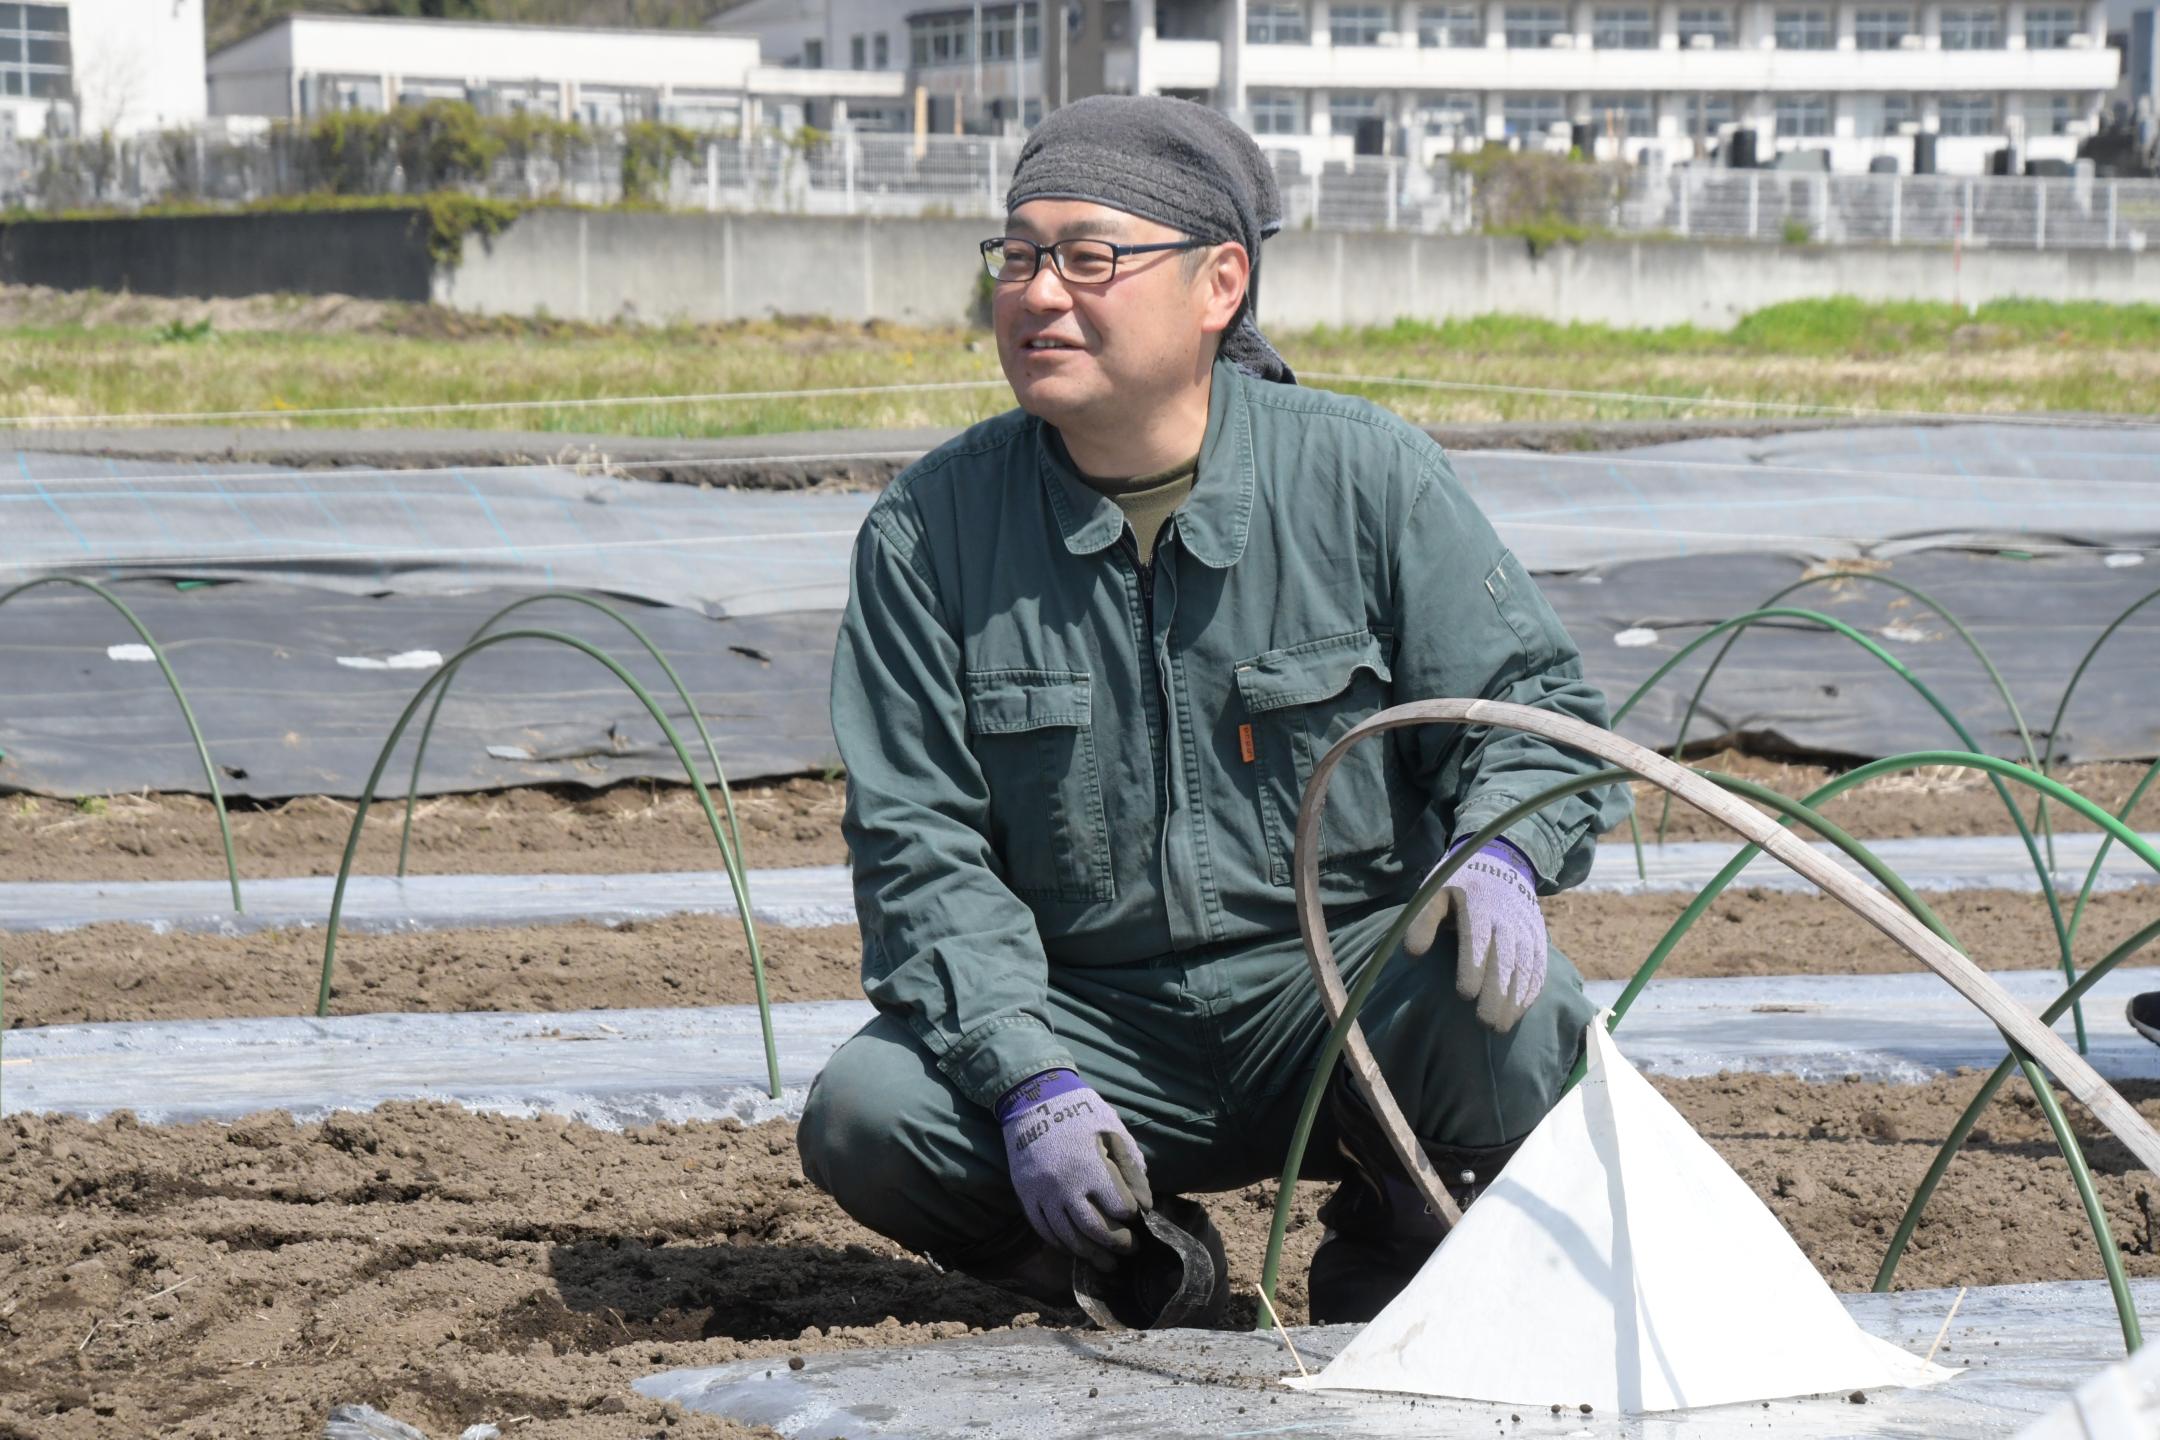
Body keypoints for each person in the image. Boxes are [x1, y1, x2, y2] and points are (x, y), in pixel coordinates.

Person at [797, 95, 1632, 1327]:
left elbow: (1529, 705)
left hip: (1335, 995)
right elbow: (919, 846)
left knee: (1521, 1014)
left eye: (1089, 258)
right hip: (1097, 1022)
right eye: (1017, 258)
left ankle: (1401, 1244)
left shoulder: (1364, 477)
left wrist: (1502, 845)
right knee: (870, 1113)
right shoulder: (932, 534)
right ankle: (1136, 1263)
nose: (1038, 294)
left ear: (1220, 283)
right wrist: (1027, 1076)